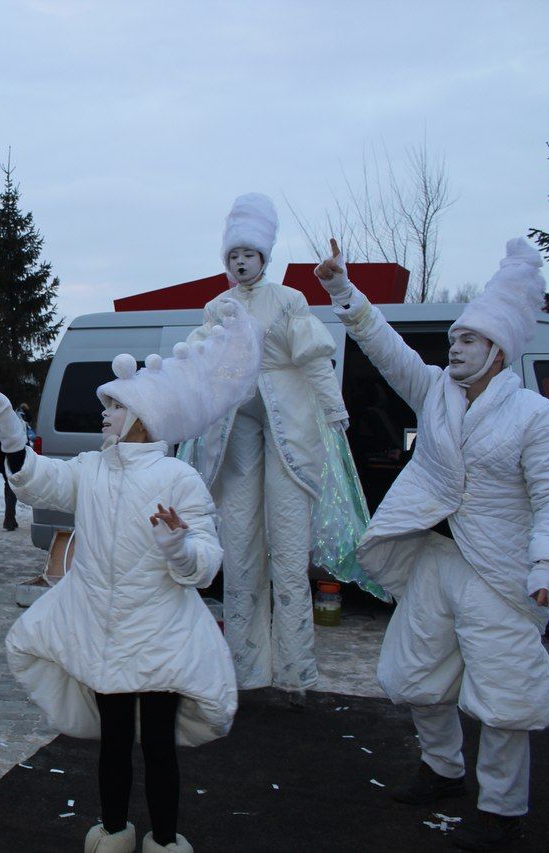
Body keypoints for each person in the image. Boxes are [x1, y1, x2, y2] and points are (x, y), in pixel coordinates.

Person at [0, 296, 260, 853]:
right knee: (115, 744)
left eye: (114, 407)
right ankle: (116, 832)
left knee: (159, 749)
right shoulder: (89, 470)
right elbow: (35, 479)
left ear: (140, 416)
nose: (104, 414)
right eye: (106, 408)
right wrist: (2, 414)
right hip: (105, 634)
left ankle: (165, 840)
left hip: (162, 637)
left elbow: (207, 565)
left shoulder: (179, 477)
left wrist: (178, 545)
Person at [315, 237, 549, 851]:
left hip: (500, 572)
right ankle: (441, 769)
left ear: (499, 350)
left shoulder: (537, 418)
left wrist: (547, 564)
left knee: (504, 694)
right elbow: (383, 346)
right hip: (435, 557)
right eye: (454, 339)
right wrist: (341, 291)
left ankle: (503, 811)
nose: (456, 348)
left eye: (470, 340)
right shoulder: (435, 394)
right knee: (417, 672)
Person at [178, 193, 358, 705]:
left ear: (264, 257)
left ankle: (296, 670)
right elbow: (194, 369)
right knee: (239, 551)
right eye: (232, 255)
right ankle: (244, 667)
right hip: (235, 434)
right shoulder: (217, 309)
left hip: (291, 433)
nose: (240, 262)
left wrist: (334, 408)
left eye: (249, 254)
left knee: (288, 552)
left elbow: (315, 359)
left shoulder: (289, 301)